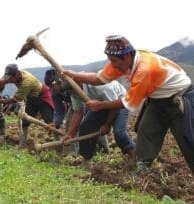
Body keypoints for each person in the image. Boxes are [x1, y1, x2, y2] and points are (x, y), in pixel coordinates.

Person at [63, 35, 194, 174]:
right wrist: (75, 75)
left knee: (187, 138)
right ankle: (141, 169)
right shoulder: (120, 62)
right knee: (146, 130)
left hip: (178, 97)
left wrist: (100, 105)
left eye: (113, 61)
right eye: (110, 60)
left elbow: (127, 103)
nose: (111, 64)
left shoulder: (144, 70)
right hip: (157, 97)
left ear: (126, 57)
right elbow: (98, 78)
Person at [62, 80, 135, 160]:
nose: (72, 93)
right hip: (99, 105)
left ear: (79, 84)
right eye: (70, 92)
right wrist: (70, 134)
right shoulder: (73, 92)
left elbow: (115, 106)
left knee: (119, 133)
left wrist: (107, 125)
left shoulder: (100, 86)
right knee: (85, 128)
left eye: (72, 91)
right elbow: (78, 113)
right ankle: (86, 160)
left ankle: (137, 159)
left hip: (120, 102)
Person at [0, 64, 54, 148]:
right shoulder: (14, 76)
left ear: (18, 74)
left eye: (11, 78)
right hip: (31, 98)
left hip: (42, 97)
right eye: (8, 78)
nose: (10, 81)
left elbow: (15, 99)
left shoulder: (27, 82)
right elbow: (1, 81)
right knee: (25, 122)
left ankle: (58, 141)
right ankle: (23, 143)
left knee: (50, 122)